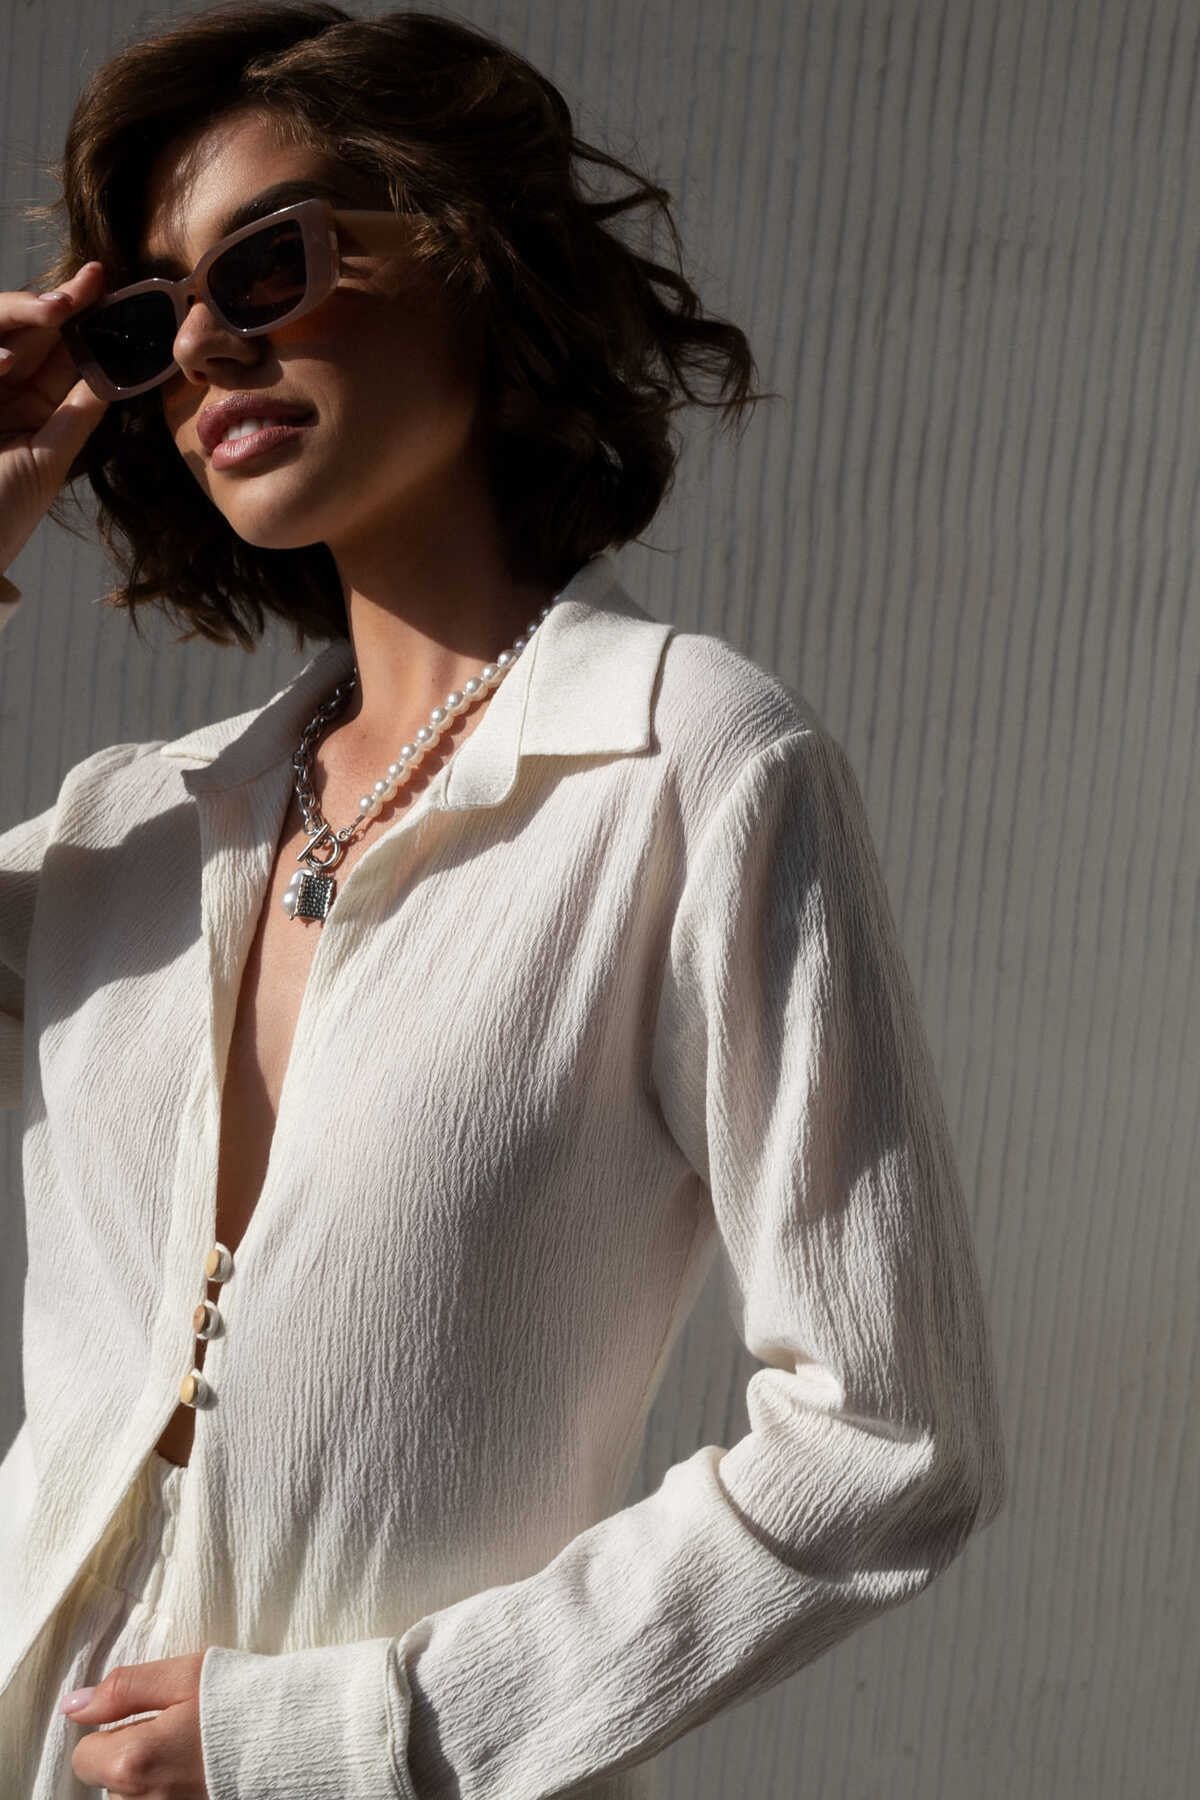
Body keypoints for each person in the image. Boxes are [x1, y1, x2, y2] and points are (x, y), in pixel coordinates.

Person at [0, 3, 1007, 1796]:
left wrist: (346, 1734)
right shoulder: (128, 831)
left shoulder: (685, 765)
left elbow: (888, 1433)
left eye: (267, 264)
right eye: (150, 321)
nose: (207, 344)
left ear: (468, 257)